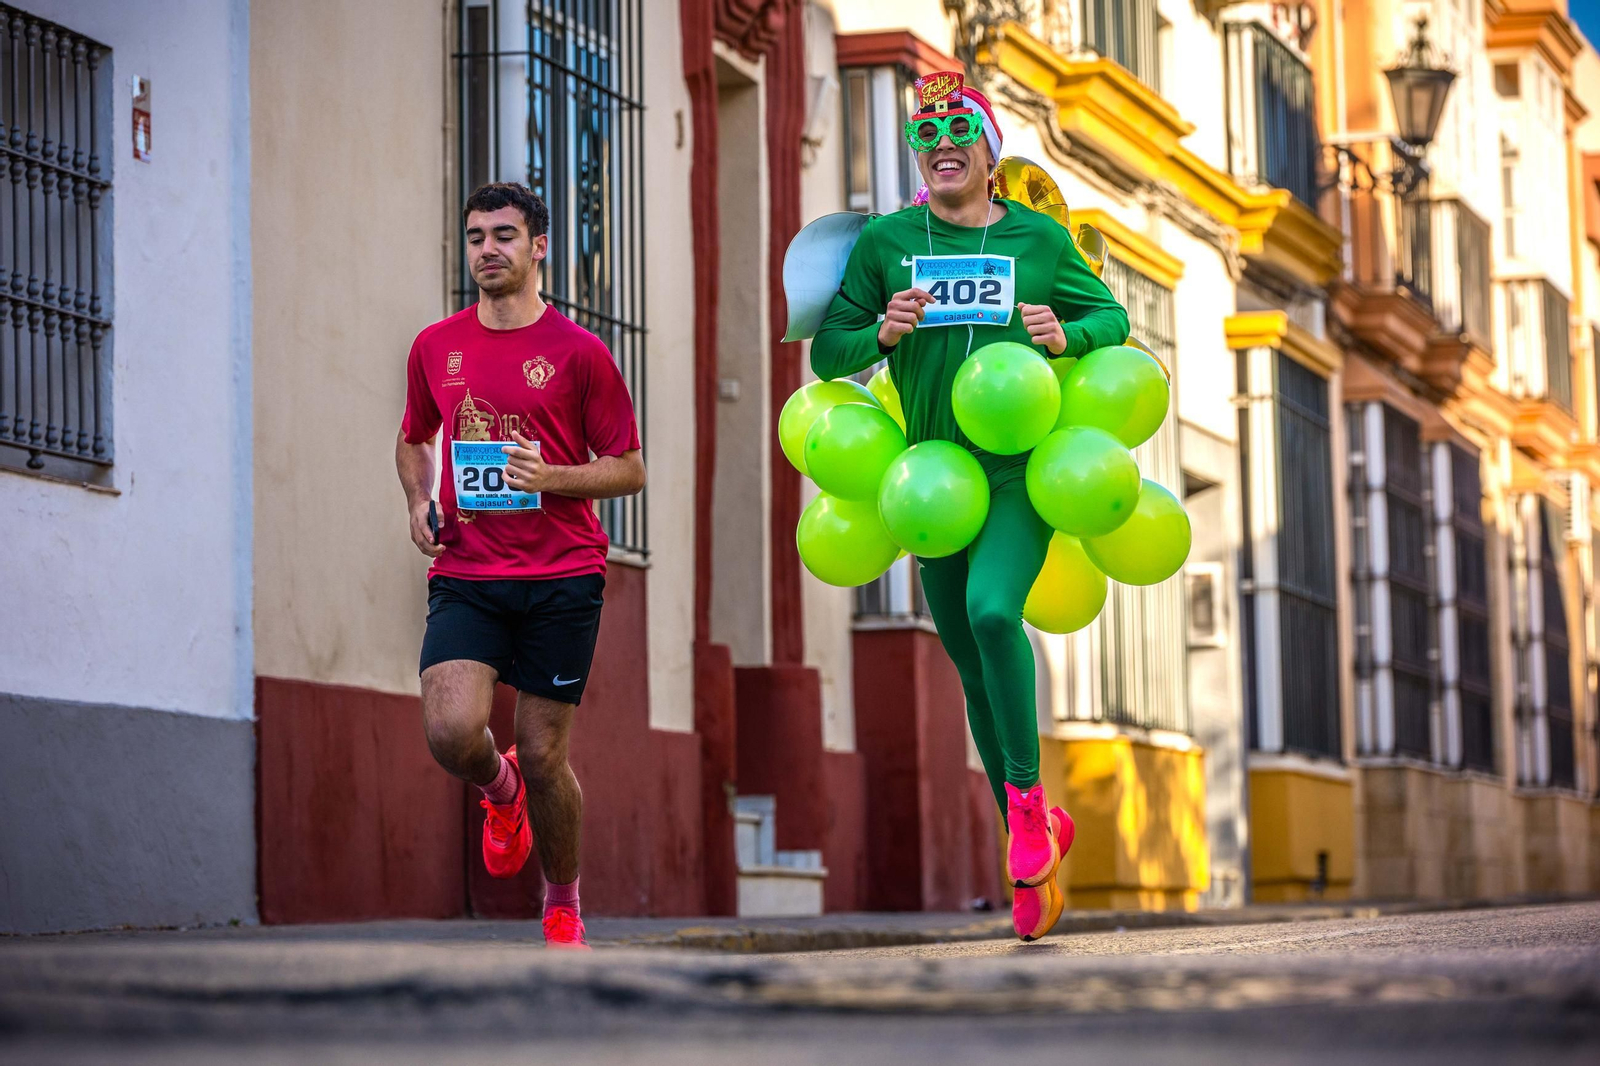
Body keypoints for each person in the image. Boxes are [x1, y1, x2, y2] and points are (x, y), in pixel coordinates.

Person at [810, 72, 1130, 942]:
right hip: (929, 478)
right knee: (968, 661)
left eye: (958, 129)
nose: (941, 142)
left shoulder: (1038, 237)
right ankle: (1032, 841)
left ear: (990, 150)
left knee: (994, 615)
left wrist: (1070, 334)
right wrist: (881, 331)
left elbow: (1112, 319)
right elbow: (826, 353)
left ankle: (1023, 808)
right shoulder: (885, 242)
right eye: (926, 132)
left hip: (1018, 471)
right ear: (918, 153)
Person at [395, 182, 646, 950]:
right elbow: (415, 436)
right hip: (468, 569)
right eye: (476, 237)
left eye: (504, 235)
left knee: (542, 752)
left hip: (562, 576)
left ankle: (563, 901)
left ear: (540, 248)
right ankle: (497, 791)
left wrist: (553, 478)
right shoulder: (436, 346)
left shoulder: (580, 354)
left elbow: (629, 468)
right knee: (448, 730)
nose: (488, 250)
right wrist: (415, 501)